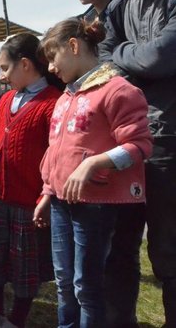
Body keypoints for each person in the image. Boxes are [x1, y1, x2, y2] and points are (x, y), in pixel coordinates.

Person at [37, 18, 152, 328]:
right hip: (62, 201)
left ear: (72, 46)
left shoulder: (118, 91)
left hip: (96, 205)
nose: (50, 68)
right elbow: (55, 150)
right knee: (64, 282)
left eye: (52, 57)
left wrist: (92, 163)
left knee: (87, 286)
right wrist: (48, 191)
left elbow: (139, 146)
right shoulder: (65, 98)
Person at [98, 0, 176, 324]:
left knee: (169, 254)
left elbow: (165, 54)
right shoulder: (120, 5)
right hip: (125, 140)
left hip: (170, 142)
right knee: (117, 247)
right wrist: (132, 58)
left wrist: (125, 56)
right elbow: (104, 61)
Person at [68, 0, 142, 328]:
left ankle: (120, 319)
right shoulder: (80, 23)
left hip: (127, 135)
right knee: (95, 248)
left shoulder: (129, 9)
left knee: (124, 245)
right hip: (91, 139)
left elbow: (128, 66)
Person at [0, 34, 61, 328]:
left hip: (28, 203)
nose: (3, 76)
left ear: (25, 64)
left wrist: (46, 198)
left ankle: (16, 319)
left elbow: (56, 156)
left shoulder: (52, 103)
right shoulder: (6, 100)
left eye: (5, 68)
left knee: (24, 268)